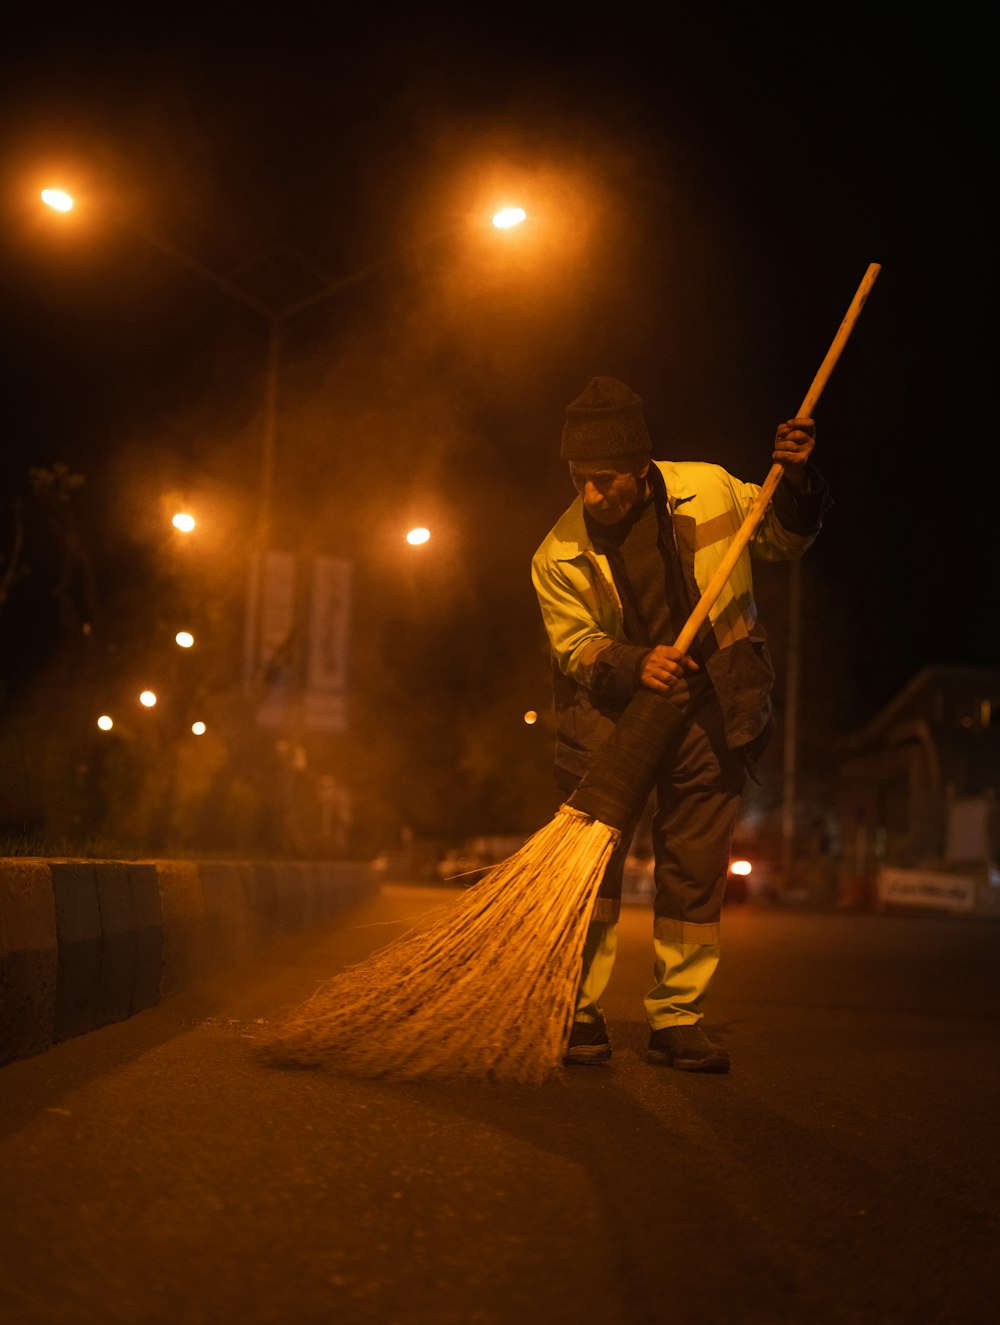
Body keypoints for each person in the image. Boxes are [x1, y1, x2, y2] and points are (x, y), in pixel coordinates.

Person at [530, 376, 831, 1073]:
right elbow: (576, 649)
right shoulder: (556, 553)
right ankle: (577, 1012)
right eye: (579, 479)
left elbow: (784, 540)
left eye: (604, 480)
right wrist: (637, 663)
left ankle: (677, 1019)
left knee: (694, 870)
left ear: (640, 466)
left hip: (712, 703)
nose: (591, 495)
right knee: (591, 870)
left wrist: (798, 477)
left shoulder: (714, 488)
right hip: (611, 718)